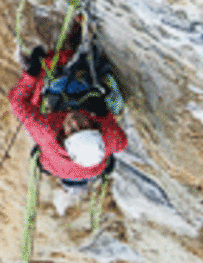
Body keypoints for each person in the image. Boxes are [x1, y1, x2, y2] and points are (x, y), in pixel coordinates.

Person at [9, 45, 128, 186]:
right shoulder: (109, 139)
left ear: (64, 137)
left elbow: (17, 102)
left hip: (56, 165)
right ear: (96, 129)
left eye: (71, 130)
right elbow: (121, 143)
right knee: (113, 103)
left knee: (55, 87)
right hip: (90, 169)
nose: (75, 122)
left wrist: (32, 73)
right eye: (83, 126)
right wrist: (104, 115)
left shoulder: (46, 134)